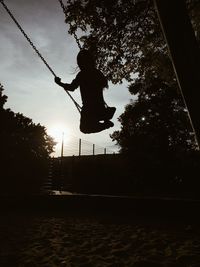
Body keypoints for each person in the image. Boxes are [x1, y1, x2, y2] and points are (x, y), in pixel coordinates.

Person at [54, 49, 116, 134]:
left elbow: (72, 87)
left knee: (84, 128)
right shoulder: (97, 73)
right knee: (88, 125)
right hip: (100, 106)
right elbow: (104, 84)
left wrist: (59, 83)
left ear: (80, 63)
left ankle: (105, 124)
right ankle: (105, 119)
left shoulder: (82, 74)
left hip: (88, 107)